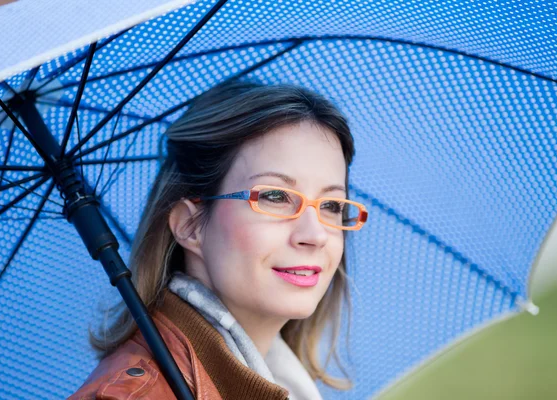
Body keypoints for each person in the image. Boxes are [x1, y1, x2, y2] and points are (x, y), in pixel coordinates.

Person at [69, 81, 368, 399]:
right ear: (190, 225)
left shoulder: (283, 384)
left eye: (332, 205)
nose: (315, 235)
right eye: (275, 196)